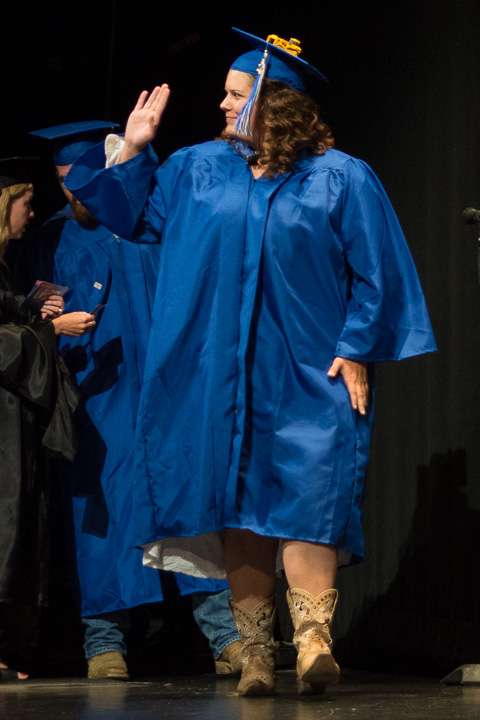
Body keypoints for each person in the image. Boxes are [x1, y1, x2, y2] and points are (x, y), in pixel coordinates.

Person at [64, 28, 437, 696]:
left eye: (237, 95)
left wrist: (356, 347)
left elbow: (377, 273)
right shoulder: (197, 169)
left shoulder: (341, 176)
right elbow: (136, 219)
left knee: (309, 495)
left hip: (307, 368)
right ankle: (258, 652)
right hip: (218, 371)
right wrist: (136, 150)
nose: (223, 105)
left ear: (274, 103)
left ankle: (314, 639)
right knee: (237, 503)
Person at [29, 123, 241, 681]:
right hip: (98, 395)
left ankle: (227, 634)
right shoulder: (53, 236)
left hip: (167, 386)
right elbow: (34, 309)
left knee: (188, 497)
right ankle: (104, 643)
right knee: (101, 515)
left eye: (79, 179)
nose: (71, 191)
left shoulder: (155, 218)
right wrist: (51, 323)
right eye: (61, 181)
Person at [0, 158, 95, 682]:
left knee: (17, 521)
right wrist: (52, 331)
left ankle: (10, 646)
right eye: (27, 204)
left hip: (13, 419)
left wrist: (30, 310)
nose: (33, 214)